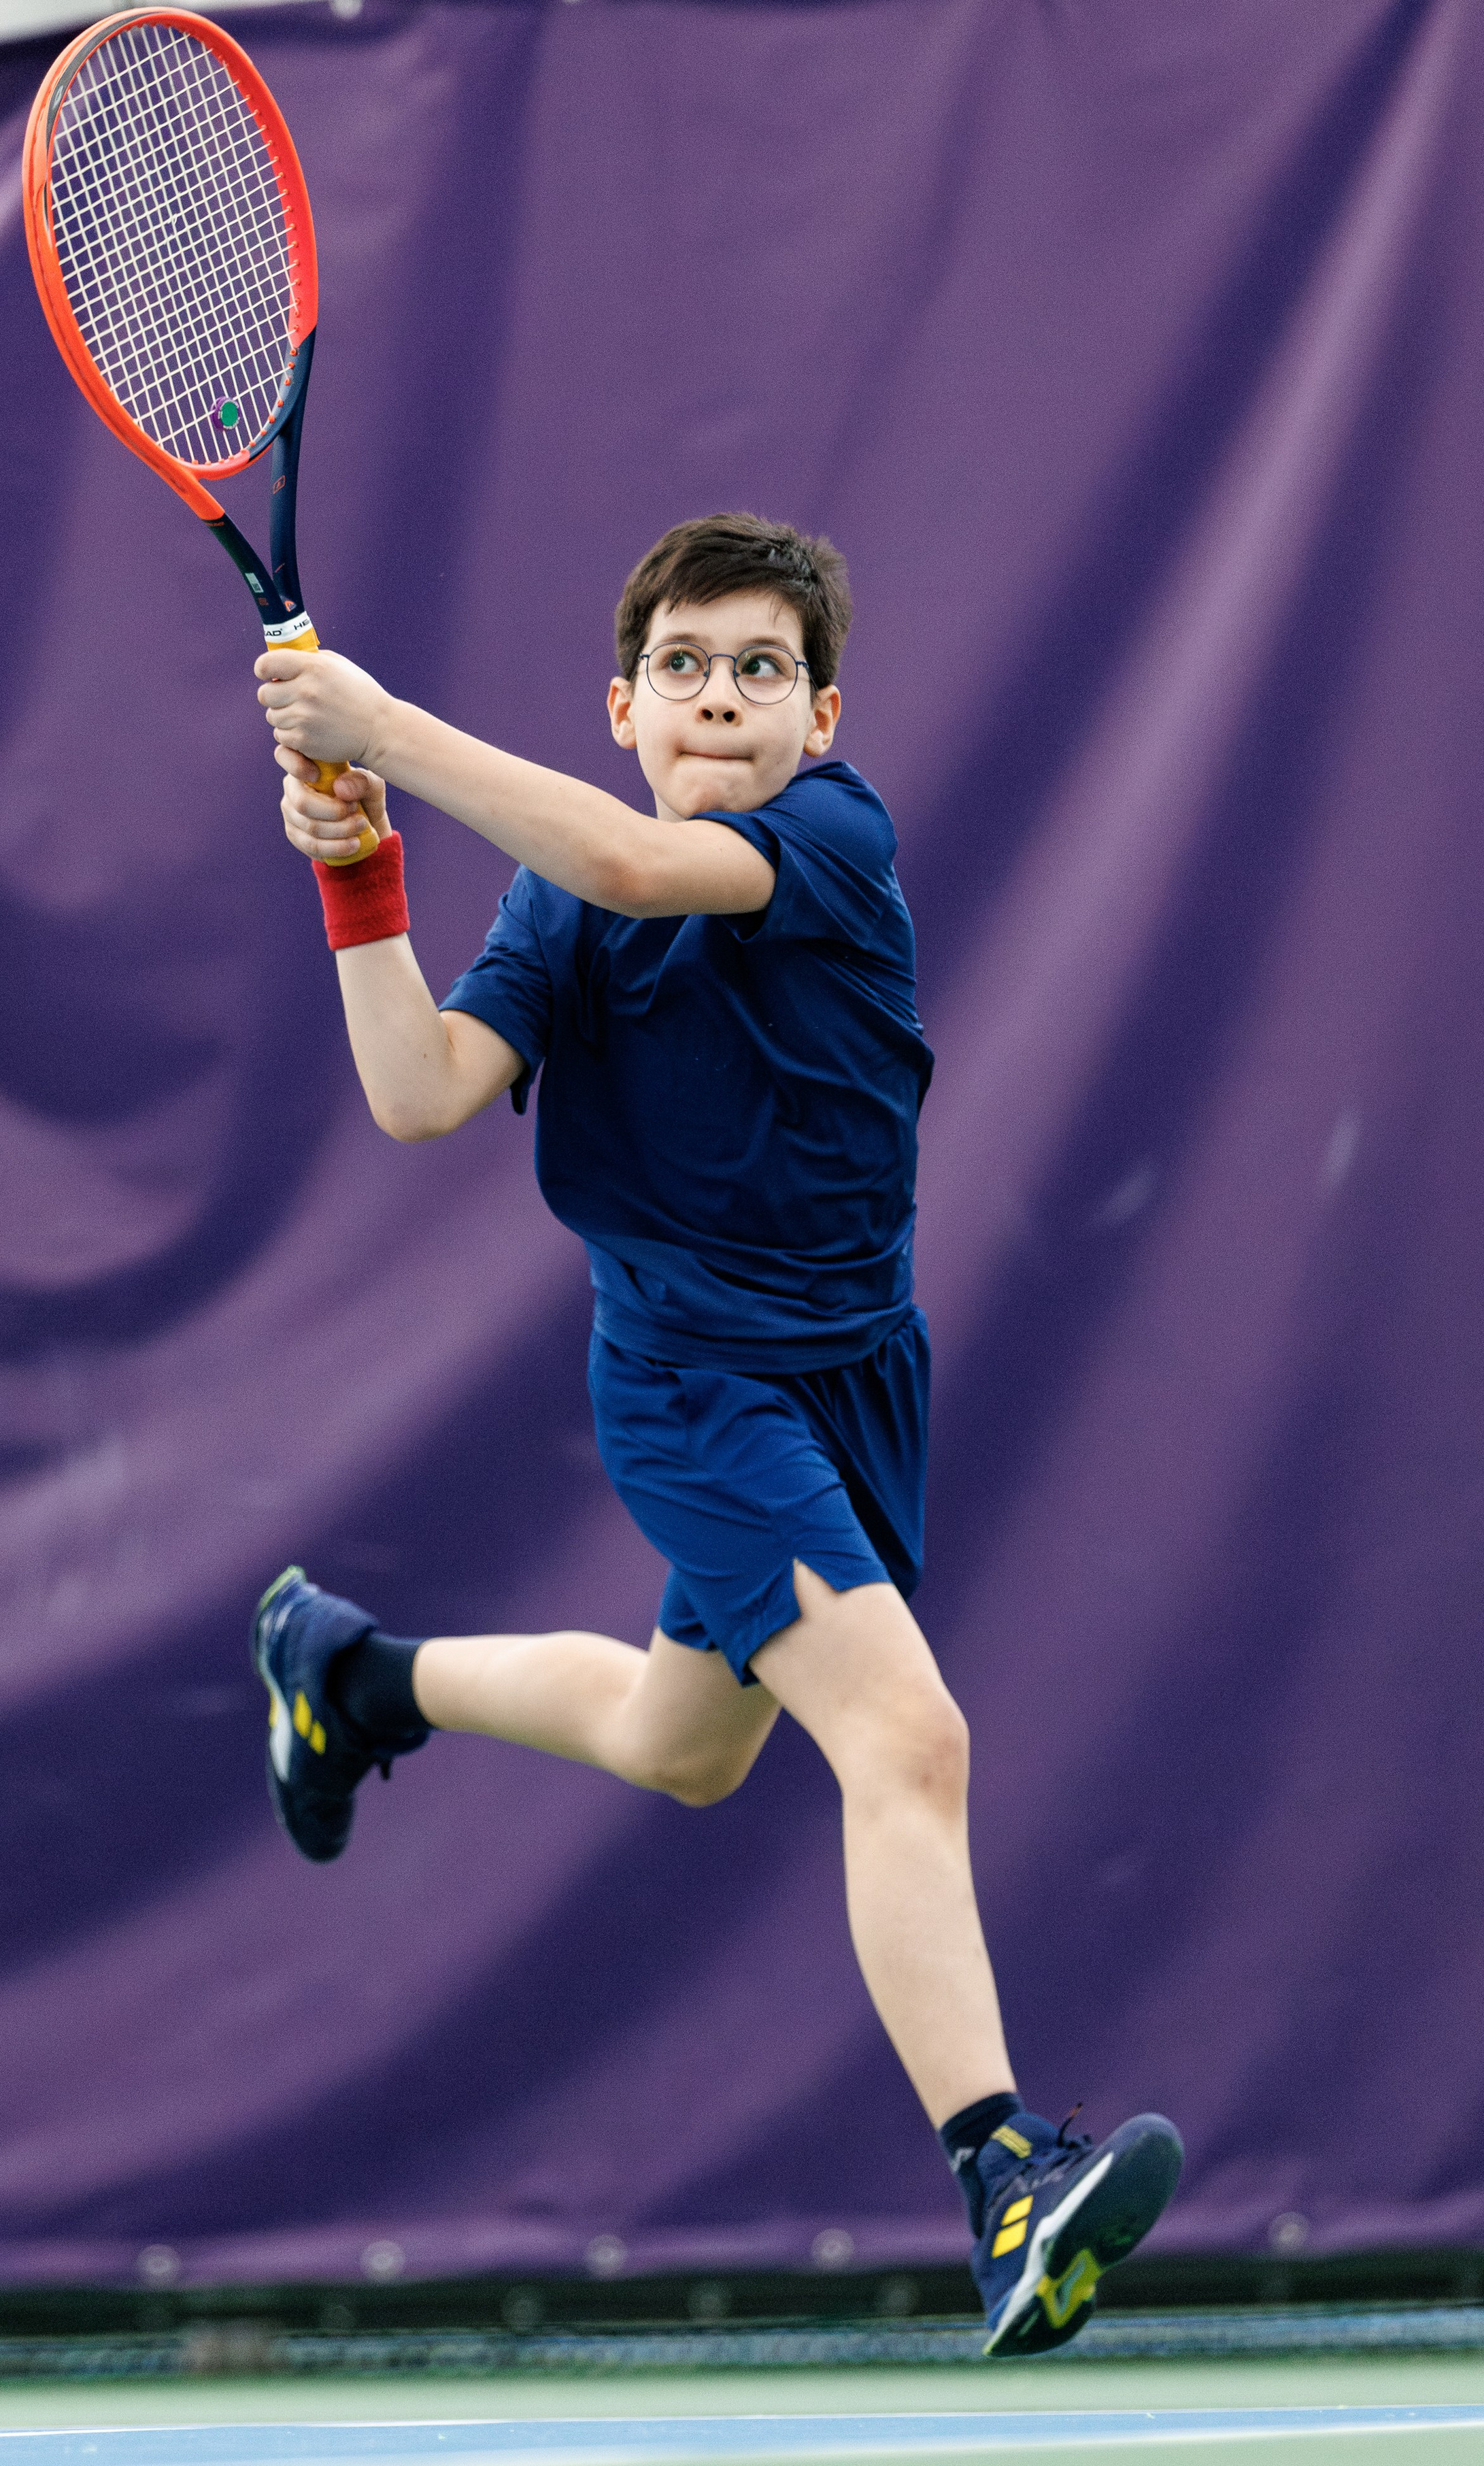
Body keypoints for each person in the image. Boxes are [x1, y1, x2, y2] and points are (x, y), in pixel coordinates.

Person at [248, 512, 1181, 2357]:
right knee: (907, 1739)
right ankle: (1006, 2177)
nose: (722, 698)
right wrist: (360, 877)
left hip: (854, 1368)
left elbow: (620, 853)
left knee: (685, 1747)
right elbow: (420, 1090)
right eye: (684, 668)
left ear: (820, 719)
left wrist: (384, 726)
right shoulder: (556, 907)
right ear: (624, 702)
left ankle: (351, 1680)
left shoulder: (830, 839)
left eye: (763, 672)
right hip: (691, 1380)